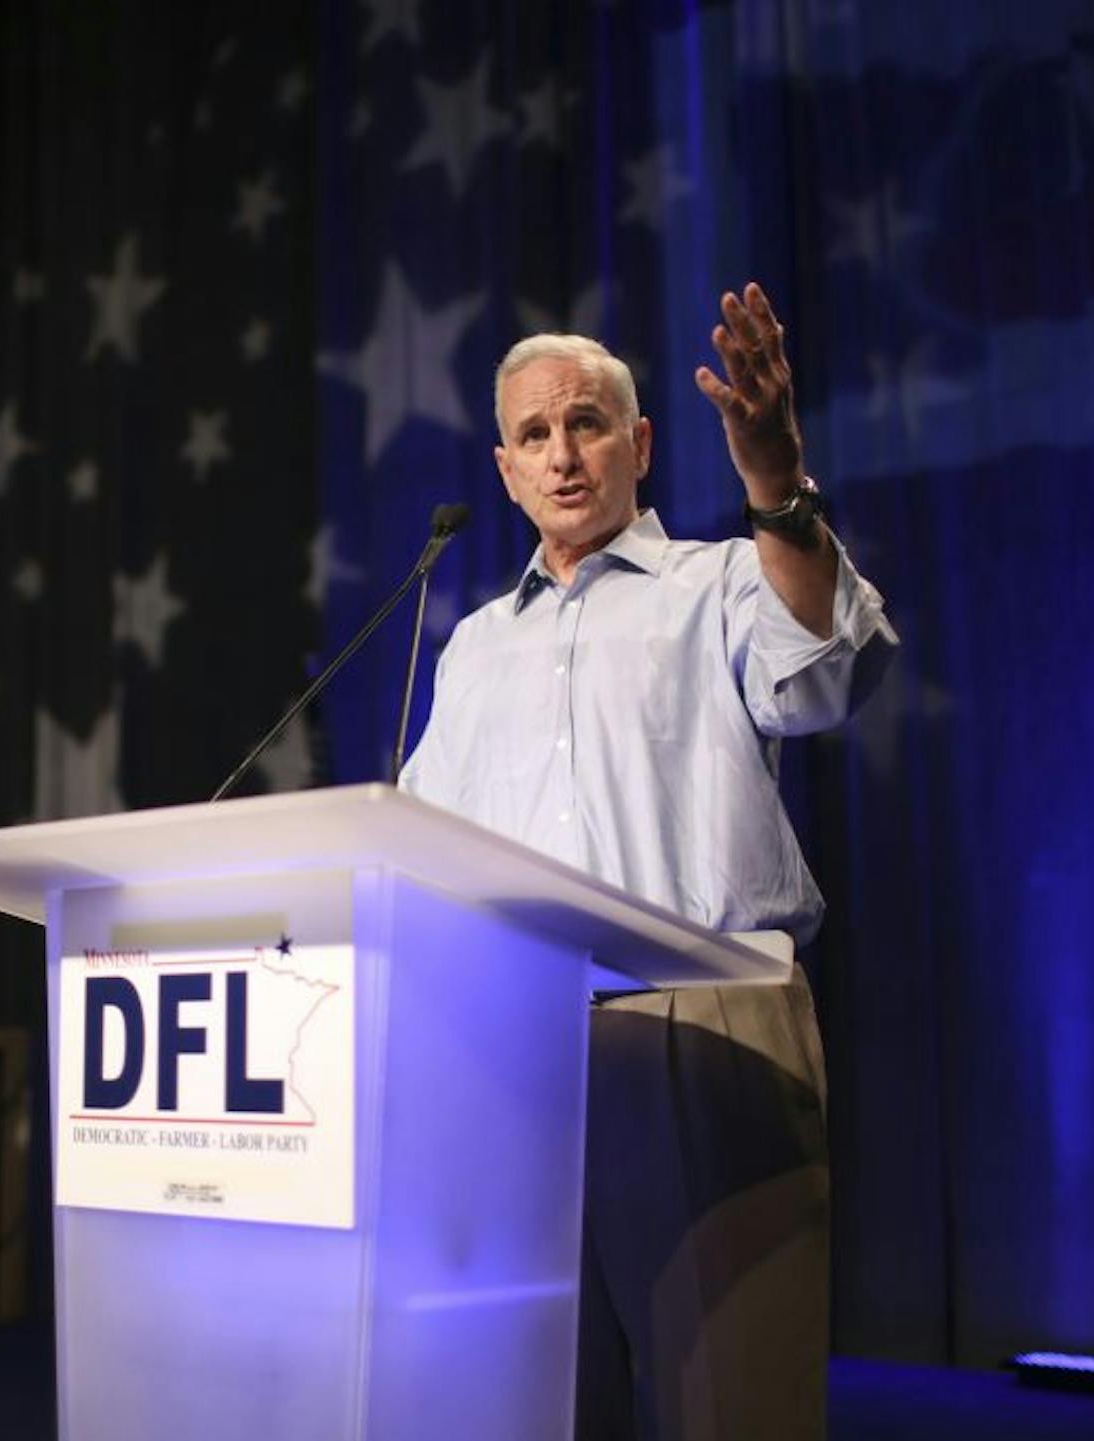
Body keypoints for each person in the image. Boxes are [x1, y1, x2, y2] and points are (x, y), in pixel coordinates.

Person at [400, 284, 897, 1441]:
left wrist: (775, 480)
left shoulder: (720, 580)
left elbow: (826, 670)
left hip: (707, 1021)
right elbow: (422, 847)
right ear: (505, 467)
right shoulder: (471, 648)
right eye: (535, 434)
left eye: (586, 423)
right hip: (514, 1053)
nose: (563, 454)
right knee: (540, 1404)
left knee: (732, 1403)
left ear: (642, 442)